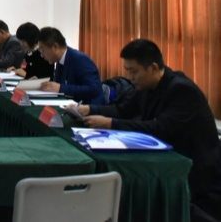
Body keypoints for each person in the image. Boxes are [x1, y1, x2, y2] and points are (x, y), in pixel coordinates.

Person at [74, 39, 221, 220]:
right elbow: (123, 110)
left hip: (195, 169)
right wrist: (90, 109)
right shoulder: (146, 86)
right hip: (165, 157)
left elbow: (160, 127)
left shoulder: (182, 89)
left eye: (133, 71)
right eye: (128, 71)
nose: (129, 77)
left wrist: (111, 123)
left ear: (153, 68)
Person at [37, 27, 104, 105]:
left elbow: (94, 89)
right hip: (69, 105)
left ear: (55, 47)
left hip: (88, 108)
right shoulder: (59, 61)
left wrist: (60, 88)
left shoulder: (80, 60)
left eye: (42, 50)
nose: (41, 55)